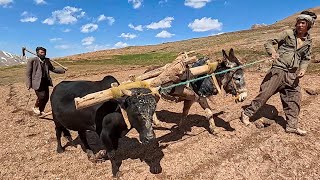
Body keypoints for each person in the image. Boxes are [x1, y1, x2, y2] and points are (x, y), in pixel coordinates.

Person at [240, 11, 317, 136]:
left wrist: (303, 69)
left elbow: (306, 58)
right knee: (265, 94)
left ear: (308, 25)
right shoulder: (288, 33)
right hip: (278, 70)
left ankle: (292, 126)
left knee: (294, 99)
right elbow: (269, 42)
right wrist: (272, 52)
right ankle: (247, 113)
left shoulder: (308, 41)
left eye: (303, 23)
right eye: (298, 22)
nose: (300, 25)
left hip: (292, 74)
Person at [26, 47, 65, 116]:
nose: (43, 54)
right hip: (36, 82)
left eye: (44, 52)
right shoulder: (32, 60)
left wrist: (62, 70)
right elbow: (28, 73)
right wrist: (28, 84)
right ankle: (36, 107)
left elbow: (53, 69)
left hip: (45, 81)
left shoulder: (47, 60)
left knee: (46, 98)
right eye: (41, 52)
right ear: (37, 53)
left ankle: (41, 110)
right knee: (41, 96)